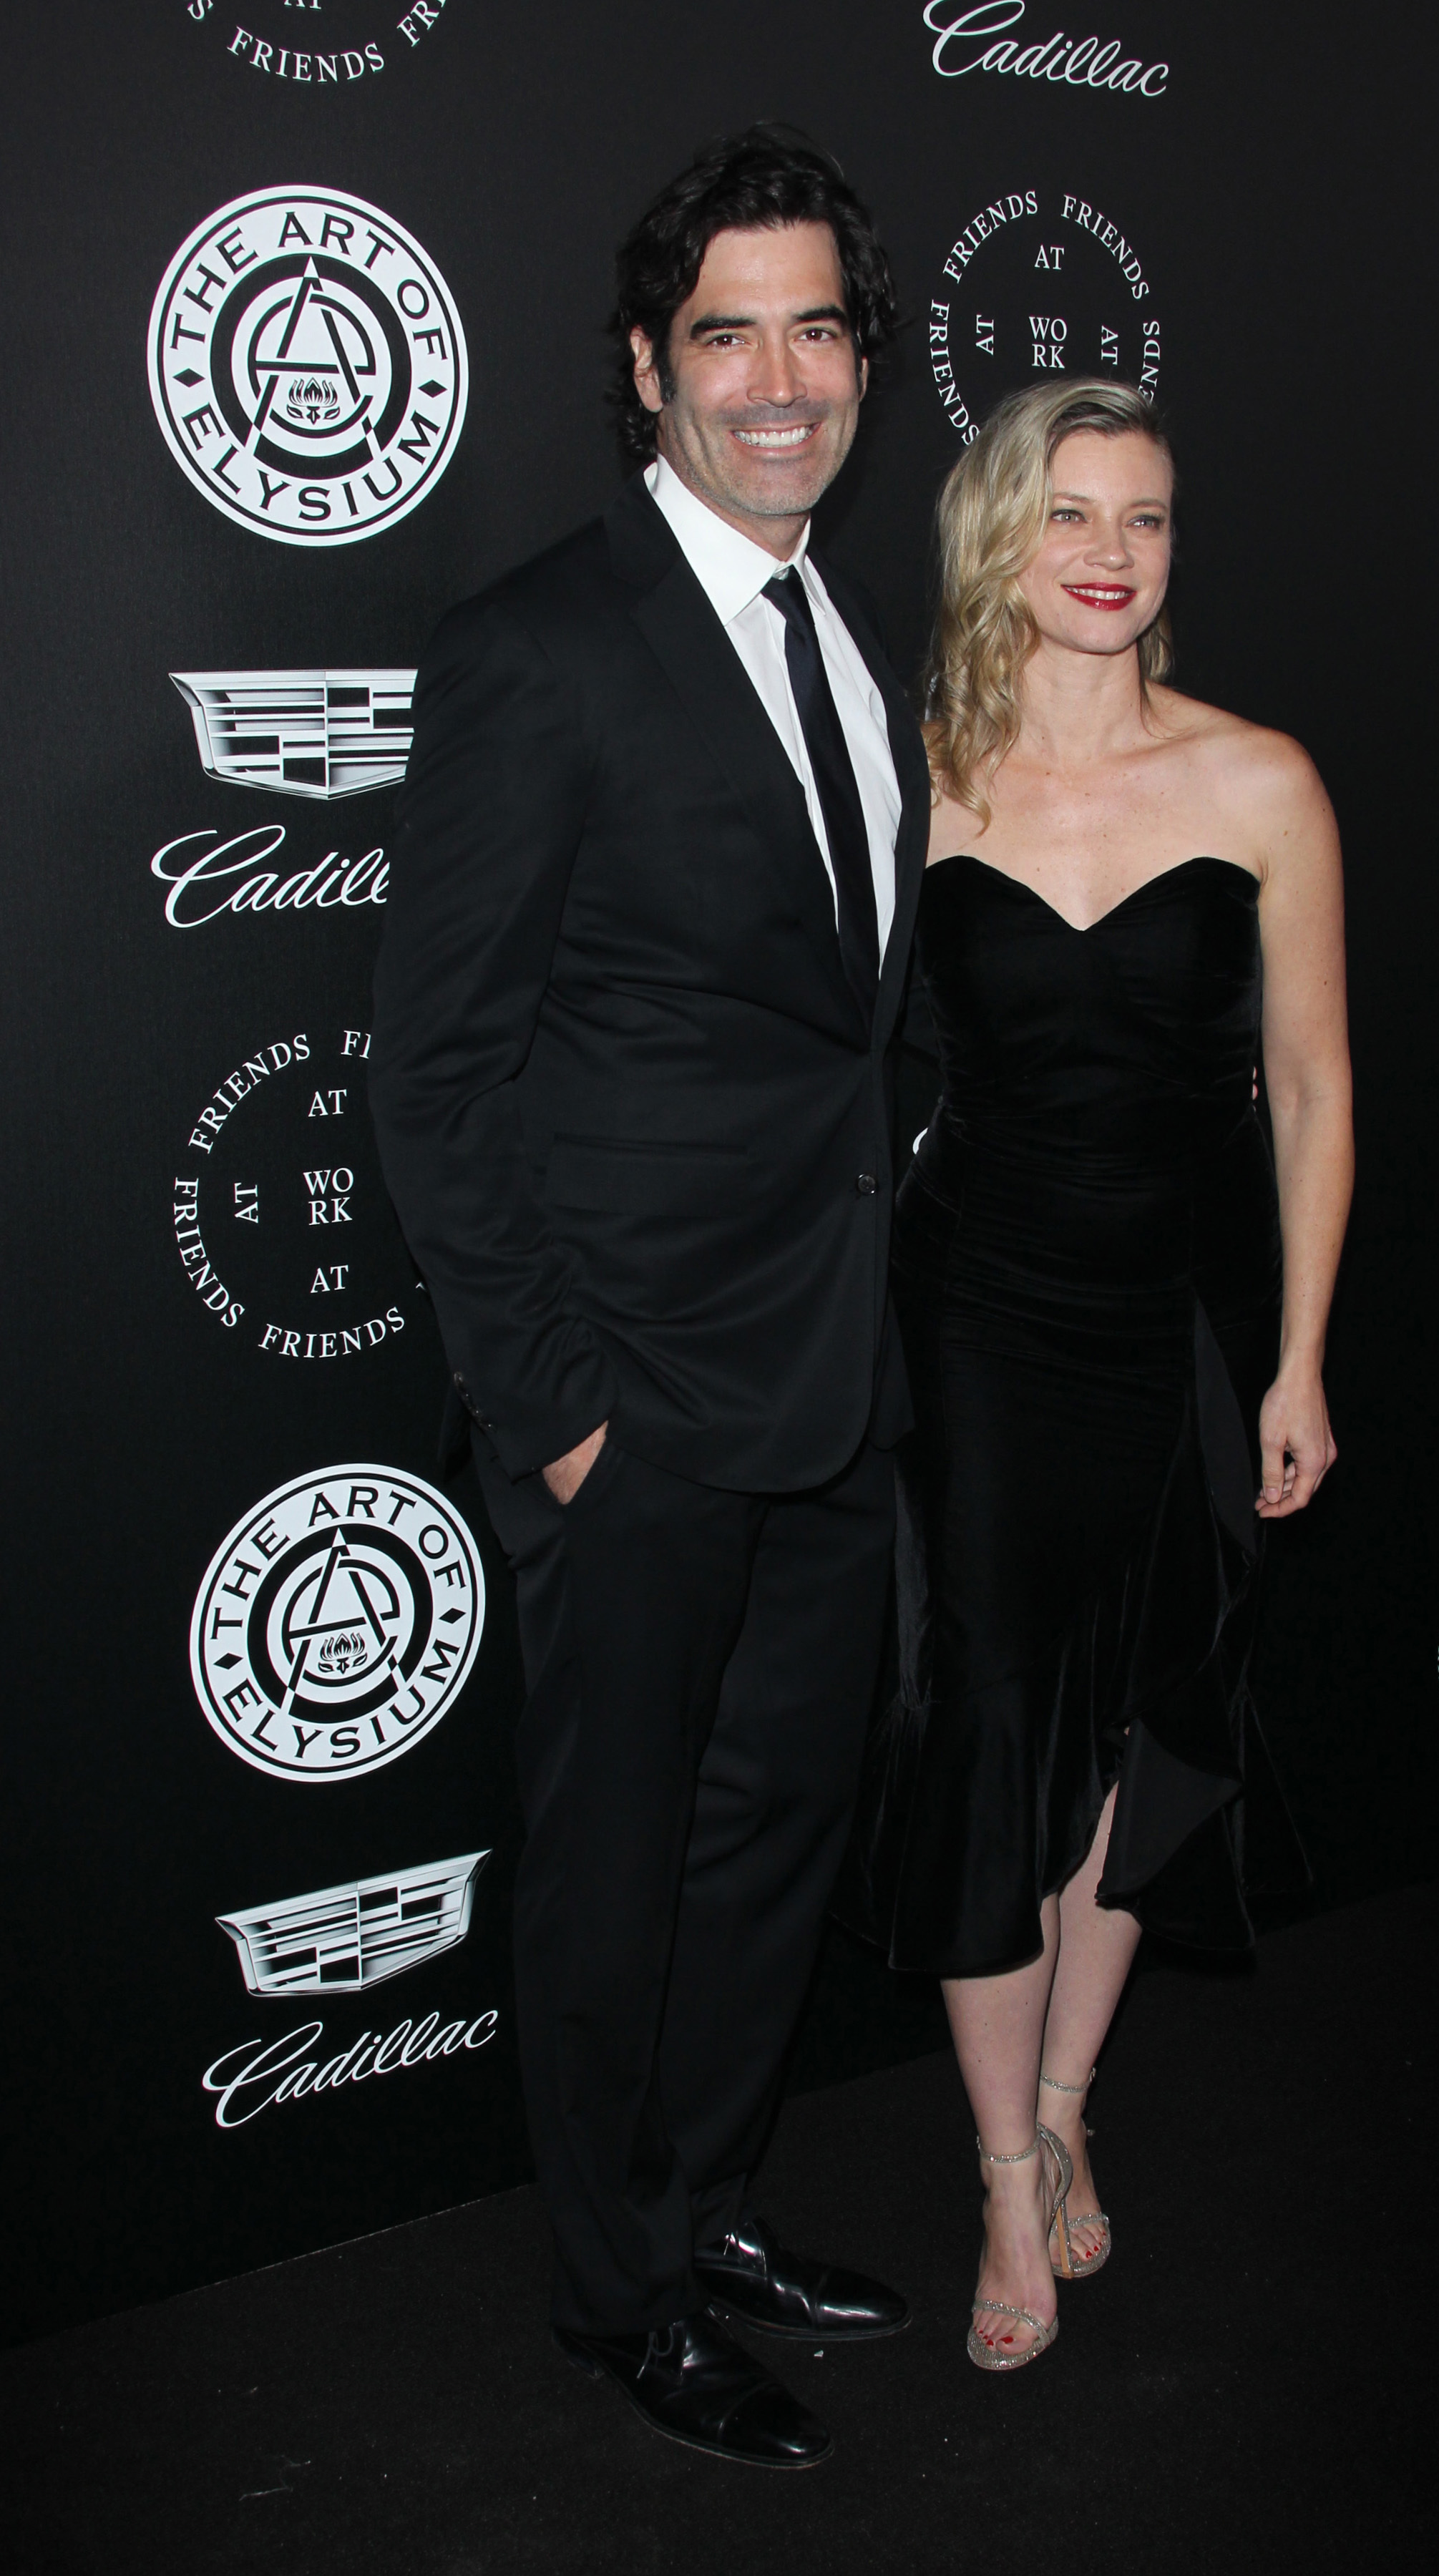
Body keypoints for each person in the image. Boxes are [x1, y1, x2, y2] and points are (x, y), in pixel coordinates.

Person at [369, 127, 930, 2470]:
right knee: (615, 1880)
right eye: (728, 335)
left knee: (773, 1845)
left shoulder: (855, 636)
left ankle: (709, 2209)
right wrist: (563, 1414)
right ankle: (622, 2297)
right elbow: (435, 1072)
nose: (778, 380)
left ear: (866, 363)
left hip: (834, 1385)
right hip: (638, 1410)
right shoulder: (541, 648)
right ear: (645, 367)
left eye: (817, 329)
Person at [845, 379, 1353, 2371]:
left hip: (1192, 1324)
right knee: (992, 1728)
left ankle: (1064, 2109)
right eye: (1069, 512)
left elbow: (1312, 1088)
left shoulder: (1260, 779)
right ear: (999, 532)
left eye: (1143, 518)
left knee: (1146, 1726)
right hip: (977, 1317)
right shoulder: (913, 776)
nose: (1110, 553)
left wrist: (1300, 1356)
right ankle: (998, 2171)